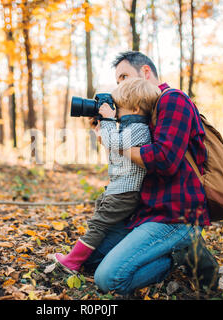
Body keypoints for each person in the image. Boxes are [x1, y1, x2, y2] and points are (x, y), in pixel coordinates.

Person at [82, 51, 219, 295]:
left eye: (124, 77)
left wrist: (117, 144)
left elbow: (165, 159)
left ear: (146, 73)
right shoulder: (140, 115)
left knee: (108, 279)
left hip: (176, 215)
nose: (120, 86)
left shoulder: (172, 99)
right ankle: (162, 250)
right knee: (90, 260)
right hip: (146, 211)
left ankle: (178, 255)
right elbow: (129, 167)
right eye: (118, 81)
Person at [55, 78, 162, 274]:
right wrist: (104, 128)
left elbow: (115, 143)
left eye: (119, 107)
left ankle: (72, 261)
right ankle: (94, 255)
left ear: (136, 109)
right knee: (102, 219)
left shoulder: (140, 129)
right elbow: (116, 150)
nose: (116, 111)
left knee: (98, 224)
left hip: (125, 192)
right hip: (119, 189)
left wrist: (108, 120)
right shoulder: (130, 128)